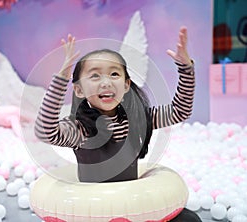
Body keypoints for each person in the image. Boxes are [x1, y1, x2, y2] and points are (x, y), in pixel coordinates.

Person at [35, 27, 201, 221]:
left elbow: (179, 111)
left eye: (114, 74)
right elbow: (45, 131)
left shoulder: (138, 120)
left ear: (126, 85)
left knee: (189, 219)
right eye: (95, 75)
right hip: (92, 211)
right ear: (79, 90)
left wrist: (186, 69)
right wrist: (61, 79)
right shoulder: (80, 129)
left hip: (131, 208)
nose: (106, 82)